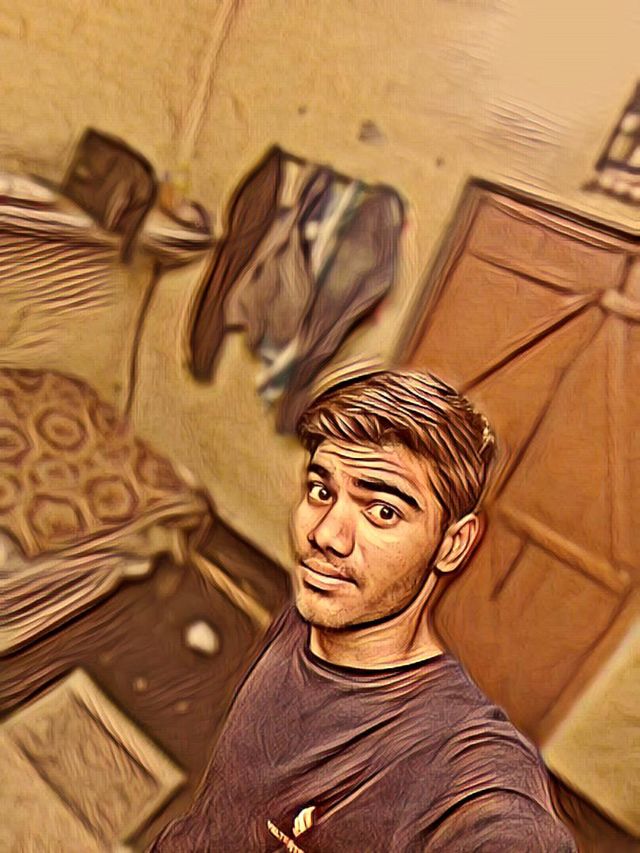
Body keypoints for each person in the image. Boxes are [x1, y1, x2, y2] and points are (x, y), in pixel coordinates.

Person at [149, 370, 576, 852]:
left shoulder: (463, 759)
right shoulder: (312, 615)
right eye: (322, 491)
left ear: (453, 544)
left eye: (383, 511)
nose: (325, 535)